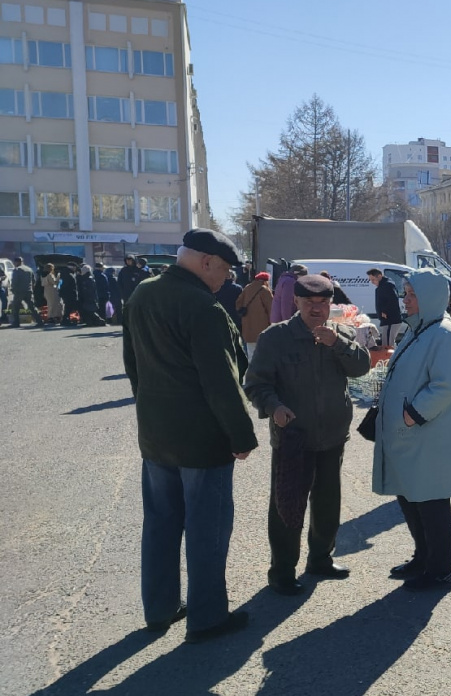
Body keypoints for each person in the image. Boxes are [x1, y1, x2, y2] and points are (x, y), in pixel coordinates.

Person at [122, 228, 259, 644]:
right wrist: (242, 435)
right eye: (223, 269)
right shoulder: (202, 306)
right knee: (207, 530)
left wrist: (150, 409)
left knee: (161, 524)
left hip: (156, 435)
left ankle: (160, 608)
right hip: (201, 440)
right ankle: (207, 617)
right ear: (204, 262)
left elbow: (133, 364)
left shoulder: (143, 293)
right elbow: (221, 381)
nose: (225, 278)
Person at [245, 274, 371, 596]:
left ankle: (320, 559)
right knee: (287, 505)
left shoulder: (339, 333)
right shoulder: (276, 338)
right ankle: (282, 571)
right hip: (293, 438)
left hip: (331, 436)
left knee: (328, 503)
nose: (317, 309)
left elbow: (362, 367)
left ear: (331, 304)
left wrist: (337, 343)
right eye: (310, 303)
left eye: (323, 303)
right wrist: (274, 408)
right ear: (296, 303)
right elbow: (256, 383)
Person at [372, 269, 451, 592]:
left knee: (431, 504)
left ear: (429, 297)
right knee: (411, 497)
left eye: (412, 295)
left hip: (431, 438)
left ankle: (441, 570)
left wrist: (412, 413)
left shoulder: (444, 334)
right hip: (413, 438)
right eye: (406, 294)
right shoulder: (416, 329)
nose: (406, 300)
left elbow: (447, 386)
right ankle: (424, 557)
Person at [235, 272, 275, 359]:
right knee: (263, 354)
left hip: (248, 327)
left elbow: (238, 304)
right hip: (262, 328)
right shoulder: (264, 290)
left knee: (251, 354)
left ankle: (251, 371)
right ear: (265, 281)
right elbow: (271, 309)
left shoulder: (247, 287)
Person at [368, 268, 402, 347]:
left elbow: (393, 300)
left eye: (373, 279)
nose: (372, 282)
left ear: (379, 276)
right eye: (370, 280)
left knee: (388, 344)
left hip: (391, 320)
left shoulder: (387, 285)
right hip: (387, 320)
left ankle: (390, 358)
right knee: (386, 343)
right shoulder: (383, 286)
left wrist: (385, 311)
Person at [8, 257, 40, 328]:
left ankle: (16, 322)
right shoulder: (29, 269)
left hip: (19, 291)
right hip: (28, 291)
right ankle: (39, 321)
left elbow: (14, 281)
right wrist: (31, 288)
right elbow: (33, 280)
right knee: (32, 306)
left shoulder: (17, 270)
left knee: (15, 307)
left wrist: (13, 289)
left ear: (17, 262)